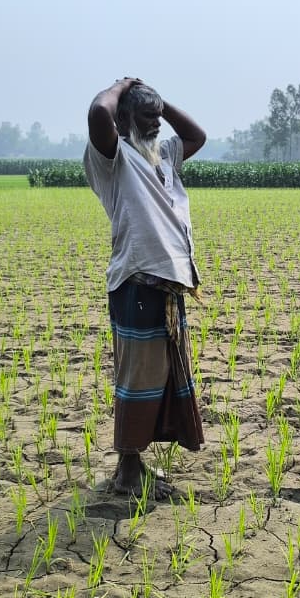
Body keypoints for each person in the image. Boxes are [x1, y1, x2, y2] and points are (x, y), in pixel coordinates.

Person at [83, 78, 207, 498]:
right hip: (136, 283)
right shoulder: (113, 157)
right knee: (138, 378)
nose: (156, 124)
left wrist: (159, 104)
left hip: (166, 284)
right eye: (145, 117)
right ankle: (129, 471)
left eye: (158, 117)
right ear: (122, 119)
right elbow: (98, 113)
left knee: (161, 377)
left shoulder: (163, 155)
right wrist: (123, 85)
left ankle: (133, 465)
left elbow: (197, 136)